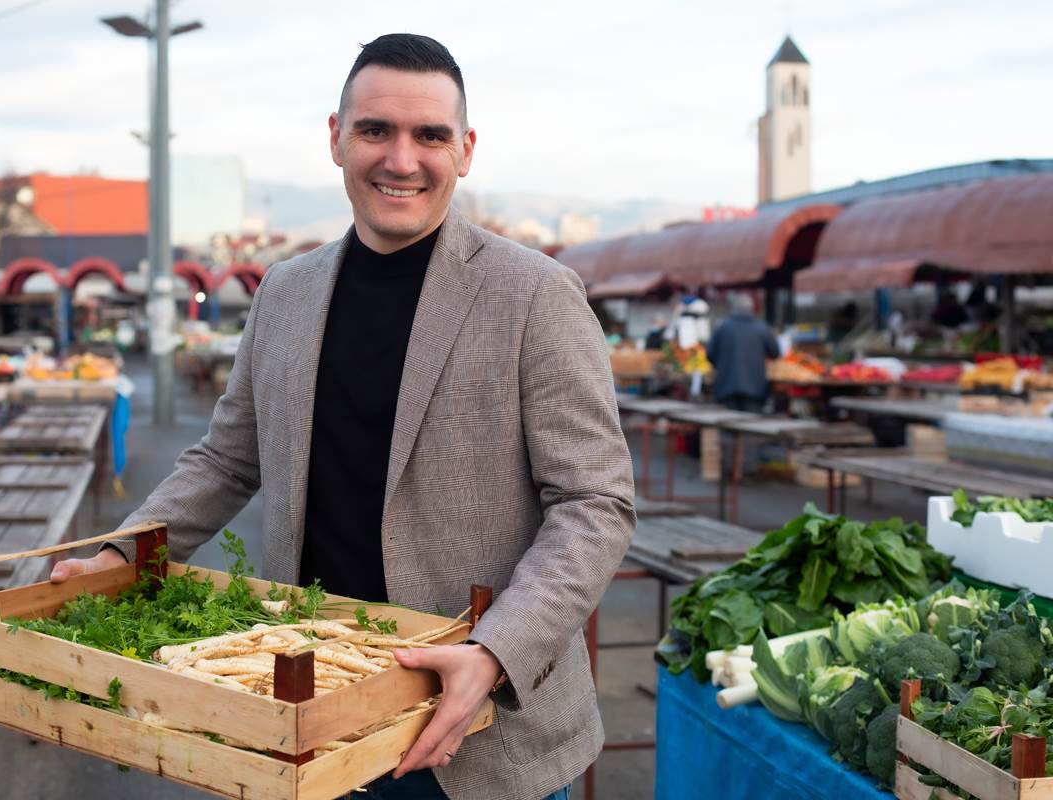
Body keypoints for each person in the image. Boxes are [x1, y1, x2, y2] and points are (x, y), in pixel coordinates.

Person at [49, 33, 634, 800]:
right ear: (336, 138)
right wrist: (122, 556)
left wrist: (493, 653)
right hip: (309, 715)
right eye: (375, 131)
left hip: (472, 732)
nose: (401, 159)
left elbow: (595, 503)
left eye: (430, 136)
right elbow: (227, 460)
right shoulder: (285, 292)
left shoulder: (534, 296)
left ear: (465, 150)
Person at [706, 294, 780, 411]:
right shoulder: (762, 328)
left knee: (727, 425)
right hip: (755, 389)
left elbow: (710, 354)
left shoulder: (722, 328)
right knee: (752, 426)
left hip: (726, 387)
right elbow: (775, 353)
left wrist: (722, 366)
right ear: (751, 309)